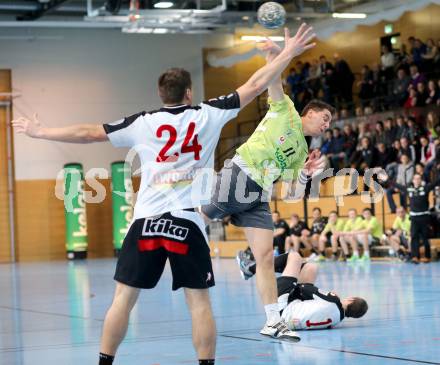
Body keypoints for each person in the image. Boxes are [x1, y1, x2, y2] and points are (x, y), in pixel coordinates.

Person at [12, 25, 317, 364]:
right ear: (189, 93)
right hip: (186, 221)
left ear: (161, 95)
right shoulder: (208, 114)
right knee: (198, 303)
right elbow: (258, 84)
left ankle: (103, 362)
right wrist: (287, 53)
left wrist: (40, 131)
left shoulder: (142, 122)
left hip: (145, 222)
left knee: (122, 300)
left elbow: (87, 133)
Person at [202, 30, 334, 341]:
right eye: (325, 118)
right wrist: (274, 54)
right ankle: (150, 228)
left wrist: (306, 173)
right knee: (199, 218)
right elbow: (273, 80)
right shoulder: (285, 108)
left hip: (259, 194)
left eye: (330, 122)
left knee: (263, 256)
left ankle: (272, 321)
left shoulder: (302, 150)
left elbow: (291, 189)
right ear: (310, 113)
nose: (327, 125)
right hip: (240, 175)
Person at [236, 251, 368, 329]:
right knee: (311, 267)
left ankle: (250, 268)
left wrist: (331, 295)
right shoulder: (336, 320)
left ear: (351, 300)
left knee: (294, 257)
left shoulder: (334, 301)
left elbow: (306, 288)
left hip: (281, 307)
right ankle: (257, 269)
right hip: (287, 318)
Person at [382, 173, 440, 264]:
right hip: (414, 218)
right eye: (415, 179)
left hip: (424, 217)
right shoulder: (409, 189)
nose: (417, 180)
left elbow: (436, 182)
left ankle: (427, 257)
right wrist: (387, 179)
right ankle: (415, 257)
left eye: (418, 179)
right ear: (413, 181)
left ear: (420, 180)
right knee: (414, 237)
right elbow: (397, 185)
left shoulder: (425, 188)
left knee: (425, 238)